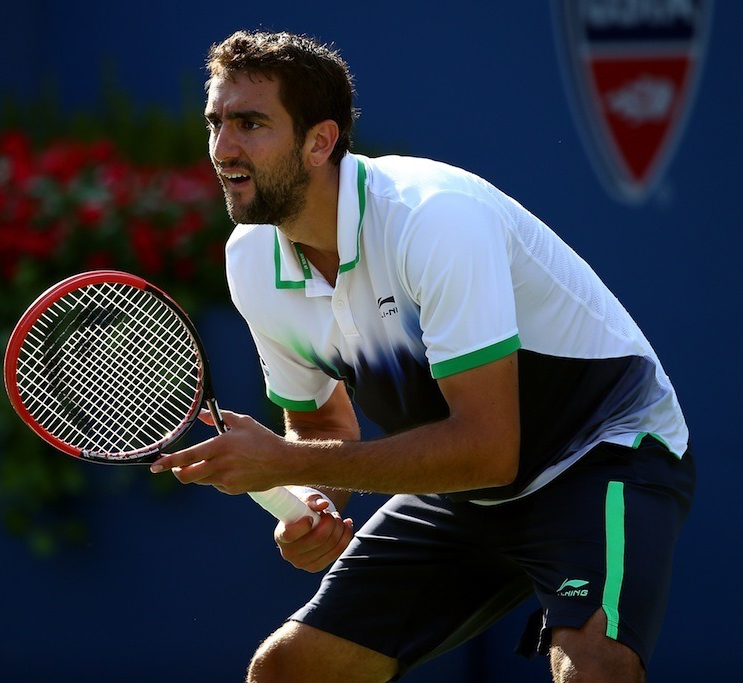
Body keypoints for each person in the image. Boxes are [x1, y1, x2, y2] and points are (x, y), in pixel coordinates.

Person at [150, 29, 695, 683]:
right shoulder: (251, 260)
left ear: (320, 141)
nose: (223, 149)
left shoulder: (432, 219)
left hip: (602, 451)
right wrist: (310, 503)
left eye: (250, 123)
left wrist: (285, 460)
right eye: (216, 123)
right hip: (465, 487)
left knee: (595, 671)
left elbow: (489, 448)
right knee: (288, 670)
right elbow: (323, 428)